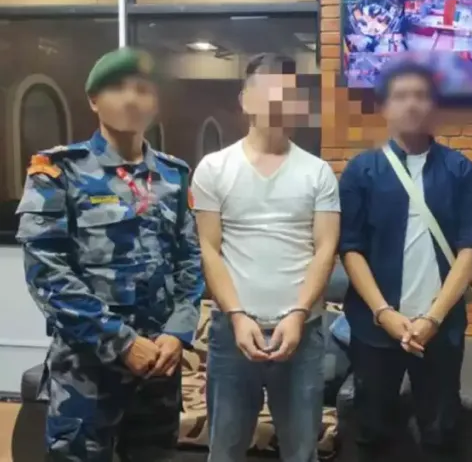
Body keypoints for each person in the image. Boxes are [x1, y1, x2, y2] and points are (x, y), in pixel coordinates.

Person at [15, 47, 205, 462]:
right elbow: (46, 273)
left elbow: (190, 262)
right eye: (117, 88)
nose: (131, 99)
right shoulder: (59, 172)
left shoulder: (173, 176)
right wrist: (120, 342)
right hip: (87, 370)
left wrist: (177, 332)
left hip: (159, 367)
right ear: (93, 100)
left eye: (142, 89)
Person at [192, 54, 340, 462]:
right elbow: (209, 248)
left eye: (288, 93)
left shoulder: (318, 172)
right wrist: (238, 316)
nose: (278, 100)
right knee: (224, 450)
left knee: (301, 452)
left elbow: (325, 249)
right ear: (245, 100)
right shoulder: (214, 168)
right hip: (232, 333)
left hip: (302, 333)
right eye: (268, 89)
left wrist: (298, 314)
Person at [338, 60, 472, 462]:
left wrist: (433, 318)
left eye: (421, 96)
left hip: (440, 330)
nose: (412, 104)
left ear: (433, 106)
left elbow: (469, 248)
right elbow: (350, 248)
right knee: (371, 433)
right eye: (401, 96)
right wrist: (383, 313)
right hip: (375, 329)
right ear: (385, 106)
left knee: (441, 433)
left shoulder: (458, 169)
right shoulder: (362, 171)